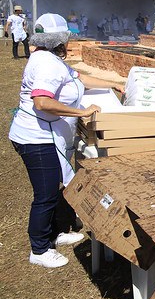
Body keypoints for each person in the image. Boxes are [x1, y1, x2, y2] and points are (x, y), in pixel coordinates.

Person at [8, 15, 124, 268]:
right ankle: (39, 249)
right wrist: (82, 112)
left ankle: (55, 233)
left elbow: (79, 79)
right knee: (46, 194)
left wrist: (114, 85)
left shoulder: (48, 59)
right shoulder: (47, 65)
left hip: (45, 136)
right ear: (59, 39)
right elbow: (42, 102)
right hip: (36, 139)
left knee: (54, 187)